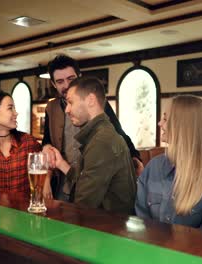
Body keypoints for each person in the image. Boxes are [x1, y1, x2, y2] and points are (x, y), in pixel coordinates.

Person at [42, 55, 142, 201]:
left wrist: (135, 158)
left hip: (92, 185)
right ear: (53, 83)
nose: (67, 85)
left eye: (71, 79)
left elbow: (118, 134)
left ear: (79, 76)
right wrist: (46, 147)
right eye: (60, 81)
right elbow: (47, 139)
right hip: (64, 183)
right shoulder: (51, 107)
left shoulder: (96, 106)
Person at [135, 95, 202, 234]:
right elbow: (140, 221)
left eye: (165, 119)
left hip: (193, 254)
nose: (160, 123)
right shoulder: (153, 167)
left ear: (183, 126)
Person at [48, 77, 137, 214]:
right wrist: (61, 164)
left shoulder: (102, 141)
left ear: (90, 100)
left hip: (106, 230)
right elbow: (86, 180)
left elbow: (83, 205)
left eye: (70, 102)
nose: (67, 109)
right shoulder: (100, 134)